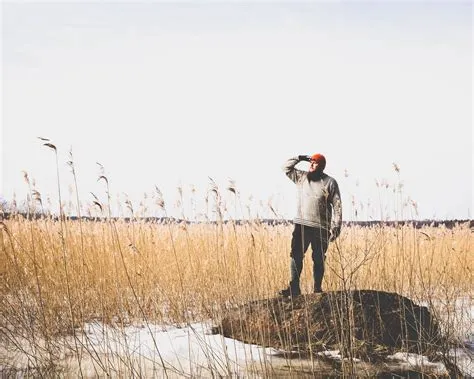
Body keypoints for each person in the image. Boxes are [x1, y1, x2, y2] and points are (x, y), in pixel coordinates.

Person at [279, 153, 342, 297]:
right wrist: (299, 158)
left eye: (315, 163)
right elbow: (285, 168)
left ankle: (317, 289)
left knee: (319, 257)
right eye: (311, 162)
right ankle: (294, 287)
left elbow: (337, 205)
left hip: (322, 226)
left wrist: (336, 227)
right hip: (302, 224)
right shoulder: (302, 177)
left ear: (321, 166)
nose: (311, 165)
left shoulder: (330, 182)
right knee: (296, 254)